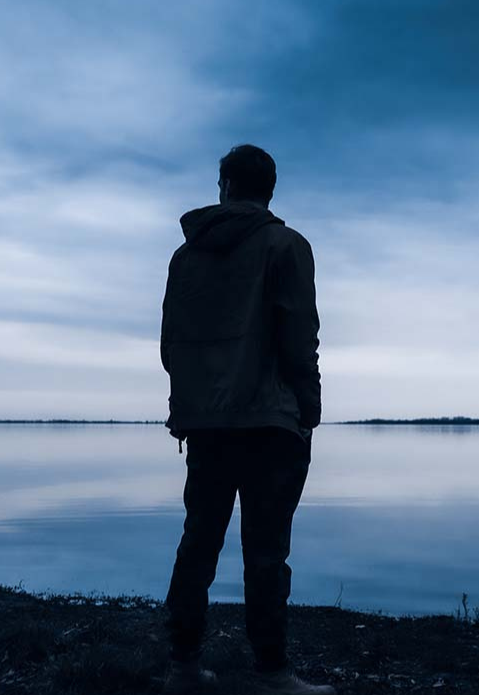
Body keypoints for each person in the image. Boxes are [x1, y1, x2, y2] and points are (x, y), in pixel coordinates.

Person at [160, 144, 332, 695]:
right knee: (266, 551)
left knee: (198, 543)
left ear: (227, 187)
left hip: (207, 424)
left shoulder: (185, 257)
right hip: (270, 423)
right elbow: (299, 337)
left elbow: (171, 344)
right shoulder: (287, 245)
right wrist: (309, 410)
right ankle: (272, 673)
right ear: (269, 190)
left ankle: (183, 667)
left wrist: (191, 404)